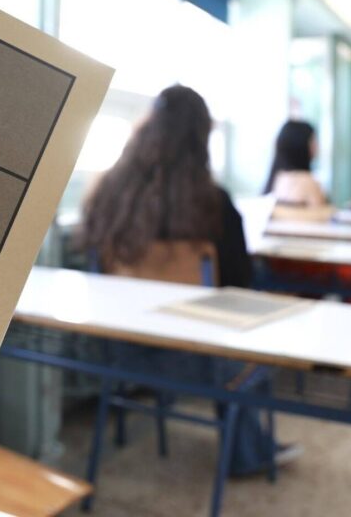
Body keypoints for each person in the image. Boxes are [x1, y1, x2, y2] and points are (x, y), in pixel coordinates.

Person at [81, 84, 298, 475]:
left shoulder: (108, 196)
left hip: (122, 354)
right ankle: (248, 453)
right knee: (253, 339)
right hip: (203, 362)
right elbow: (239, 287)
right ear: (202, 138)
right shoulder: (213, 203)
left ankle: (251, 448)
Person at [263, 120, 327, 207]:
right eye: (313, 141)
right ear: (301, 144)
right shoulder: (309, 184)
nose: (317, 146)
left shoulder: (278, 179)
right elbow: (322, 213)